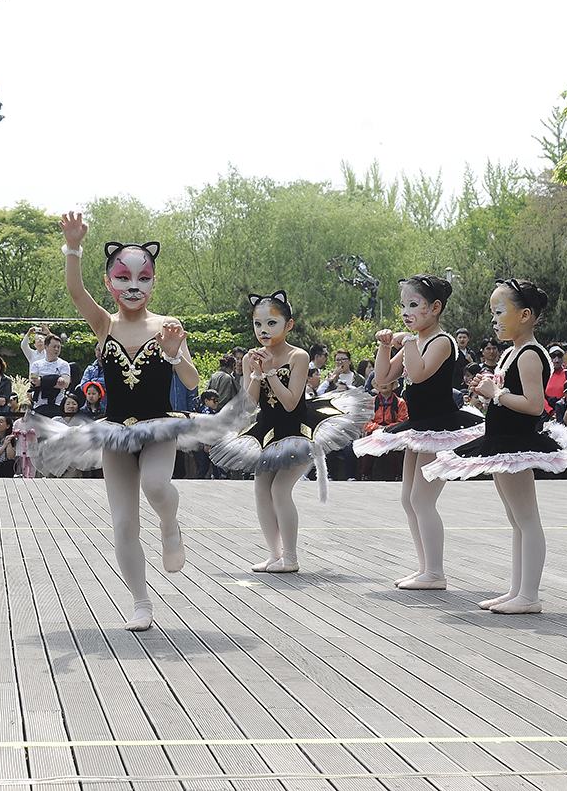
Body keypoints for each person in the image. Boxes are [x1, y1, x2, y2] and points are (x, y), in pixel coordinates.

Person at [34, 220, 247, 632]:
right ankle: (141, 602)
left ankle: (170, 522)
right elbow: (76, 292)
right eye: (123, 277)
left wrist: (173, 353)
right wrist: (72, 248)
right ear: (109, 281)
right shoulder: (105, 325)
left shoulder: (167, 326)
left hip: (158, 427)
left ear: (153, 281)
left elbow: (191, 382)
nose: (133, 286)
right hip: (115, 431)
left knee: (155, 486)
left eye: (142, 278)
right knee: (123, 521)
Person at [425, 278, 567, 614]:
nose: (494, 320)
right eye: (492, 313)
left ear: (525, 315)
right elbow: (508, 397)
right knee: (516, 519)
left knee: (526, 519)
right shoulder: (512, 352)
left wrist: (495, 393)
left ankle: (529, 595)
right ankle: (518, 590)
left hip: (517, 443)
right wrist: (491, 391)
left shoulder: (529, 354)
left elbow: (534, 405)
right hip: (501, 441)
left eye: (500, 312)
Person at [208, 291, 369, 573]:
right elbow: (250, 406)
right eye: (258, 324)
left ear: (288, 325)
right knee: (261, 491)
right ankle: (275, 554)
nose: (263, 331)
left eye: (271, 323)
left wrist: (270, 371)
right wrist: (255, 371)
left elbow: (292, 401)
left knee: (280, 490)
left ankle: (291, 558)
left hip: (299, 430)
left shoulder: (299, 356)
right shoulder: (251, 358)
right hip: (268, 432)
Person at [354, 274, 485, 589]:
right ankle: (425, 567)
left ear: (435, 307)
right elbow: (382, 378)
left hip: (439, 427)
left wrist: (408, 343)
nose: (405, 312)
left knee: (422, 500)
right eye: (403, 305)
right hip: (418, 427)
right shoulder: (416, 340)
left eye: (413, 305)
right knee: (408, 499)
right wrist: (385, 346)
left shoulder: (441, 341)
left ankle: (435, 573)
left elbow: (419, 373)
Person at [544, 343, 567, 411]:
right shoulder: (543, 374)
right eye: (553, 356)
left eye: (559, 356)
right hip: (546, 413)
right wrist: (550, 411)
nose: (557, 360)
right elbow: (540, 395)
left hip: (564, 410)